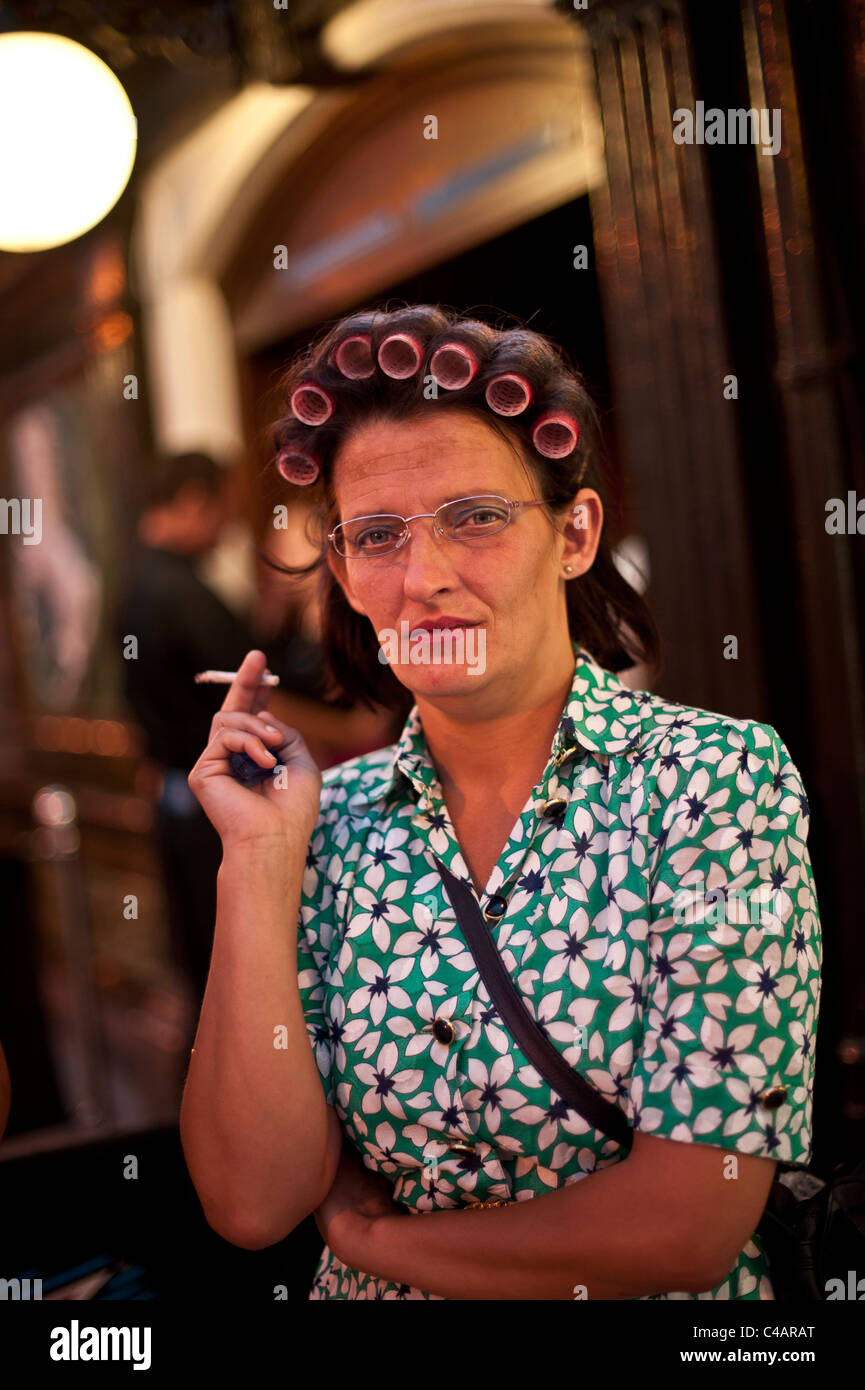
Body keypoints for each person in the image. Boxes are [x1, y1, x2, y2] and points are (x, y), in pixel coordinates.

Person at [179, 305, 822, 1300]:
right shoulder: (325, 823)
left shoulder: (714, 780)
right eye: (379, 536)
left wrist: (375, 1244)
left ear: (573, 533)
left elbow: (689, 1223)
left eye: (475, 518)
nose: (425, 579)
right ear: (344, 572)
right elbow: (252, 1202)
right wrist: (257, 861)